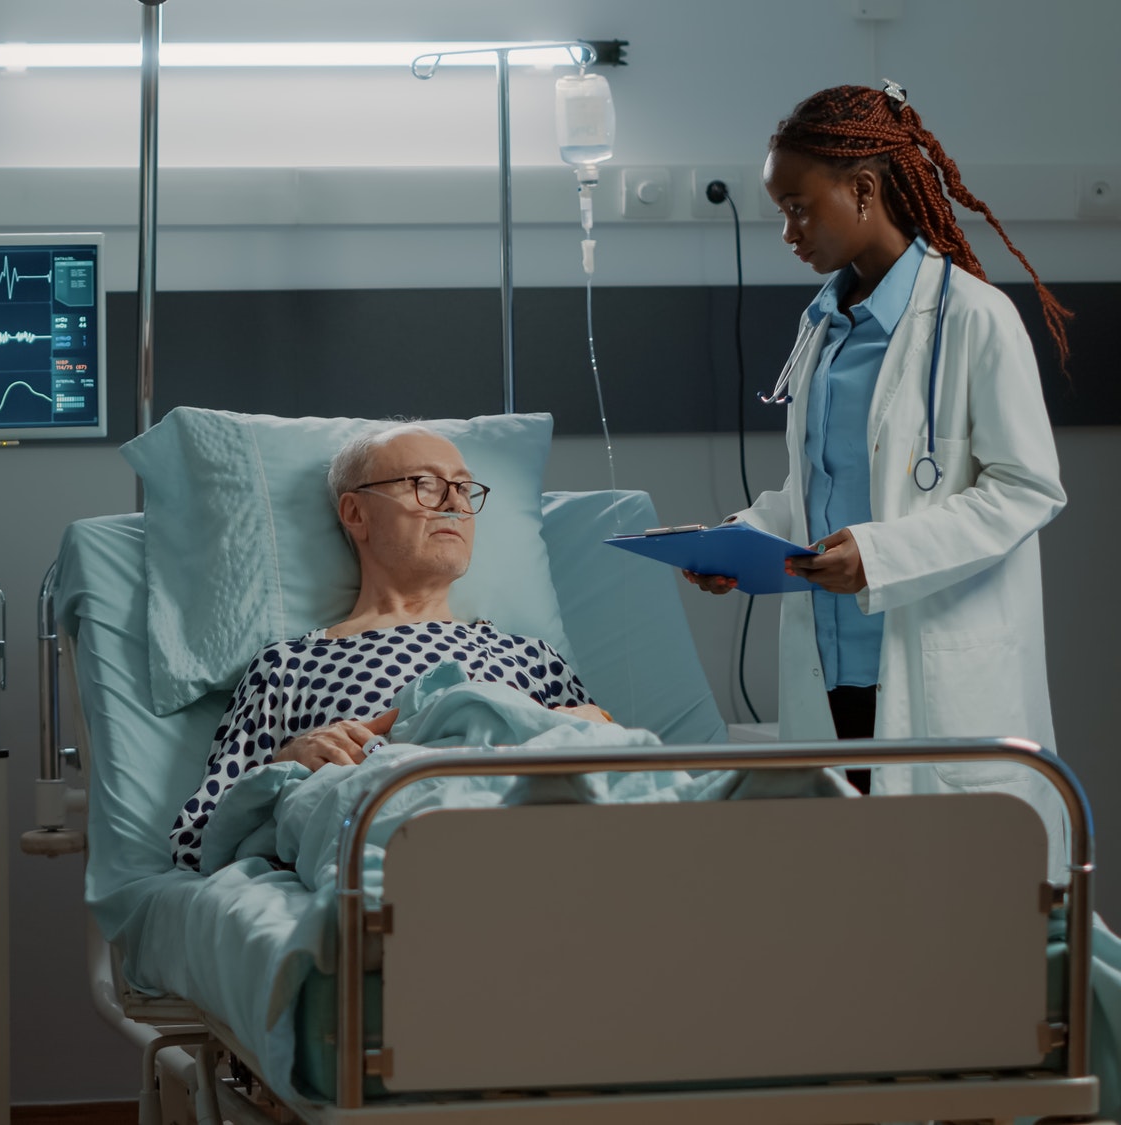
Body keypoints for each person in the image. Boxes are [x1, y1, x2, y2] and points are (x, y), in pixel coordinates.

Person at [686, 84, 1070, 850]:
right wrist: (742, 536)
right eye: (781, 213)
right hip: (830, 670)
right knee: (850, 912)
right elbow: (818, 488)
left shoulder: (975, 317)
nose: (789, 232)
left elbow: (1026, 488)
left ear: (864, 190)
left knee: (951, 904)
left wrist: (881, 555)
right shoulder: (823, 328)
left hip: (932, 671)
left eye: (798, 206)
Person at [169, 425, 607, 871]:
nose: (455, 503)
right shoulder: (288, 667)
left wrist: (582, 724)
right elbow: (197, 843)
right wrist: (288, 762)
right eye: (426, 484)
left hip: (543, 848)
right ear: (356, 513)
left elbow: (622, 776)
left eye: (463, 487)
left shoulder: (530, 658)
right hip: (397, 861)